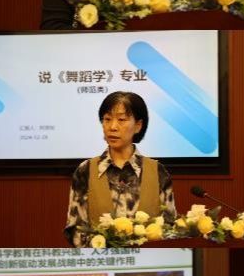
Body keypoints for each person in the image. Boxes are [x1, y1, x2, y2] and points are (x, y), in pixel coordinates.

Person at [64, 91, 176, 246]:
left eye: (121, 119)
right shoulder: (86, 171)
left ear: (138, 126)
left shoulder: (157, 171)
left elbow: (170, 228)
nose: (112, 127)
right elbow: (75, 229)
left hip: (147, 259)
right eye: (107, 119)